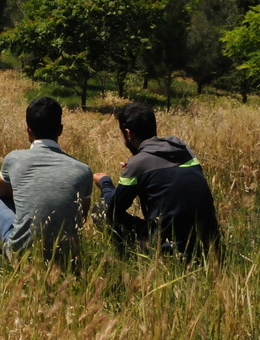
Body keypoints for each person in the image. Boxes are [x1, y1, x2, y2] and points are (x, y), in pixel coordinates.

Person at [93, 102, 220, 259]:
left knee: (101, 210)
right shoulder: (184, 149)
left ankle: (129, 259)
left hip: (172, 250)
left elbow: (114, 207)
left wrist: (105, 182)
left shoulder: (137, 164)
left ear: (128, 133)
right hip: (211, 247)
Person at [0, 97, 93, 263]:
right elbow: (81, 218)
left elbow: (2, 192)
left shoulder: (14, 158)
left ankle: (3, 253)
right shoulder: (83, 170)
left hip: (22, 256)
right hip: (67, 258)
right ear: (60, 130)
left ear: (29, 130)